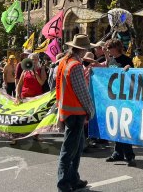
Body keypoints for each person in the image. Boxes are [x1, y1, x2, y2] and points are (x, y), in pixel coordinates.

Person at [56, 34, 95, 192]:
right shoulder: (75, 65)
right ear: (83, 49)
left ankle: (73, 178)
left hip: (67, 110)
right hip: (76, 112)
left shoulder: (64, 61)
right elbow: (82, 92)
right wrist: (90, 110)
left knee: (76, 147)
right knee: (70, 149)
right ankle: (63, 182)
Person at [103, 39, 136, 166]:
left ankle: (129, 155)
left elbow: (133, 75)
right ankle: (117, 153)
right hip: (113, 98)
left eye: (109, 48)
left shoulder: (126, 60)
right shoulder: (111, 60)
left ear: (116, 48)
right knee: (116, 126)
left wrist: (129, 69)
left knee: (124, 127)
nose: (108, 50)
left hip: (123, 99)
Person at [12, 57, 47, 144]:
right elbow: (19, 85)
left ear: (38, 60)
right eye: (32, 59)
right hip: (25, 97)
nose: (34, 61)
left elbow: (41, 83)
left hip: (37, 98)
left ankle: (36, 135)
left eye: (35, 59)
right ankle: (16, 137)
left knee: (36, 118)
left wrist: (35, 73)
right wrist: (17, 95)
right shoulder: (25, 71)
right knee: (21, 118)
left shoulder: (41, 70)